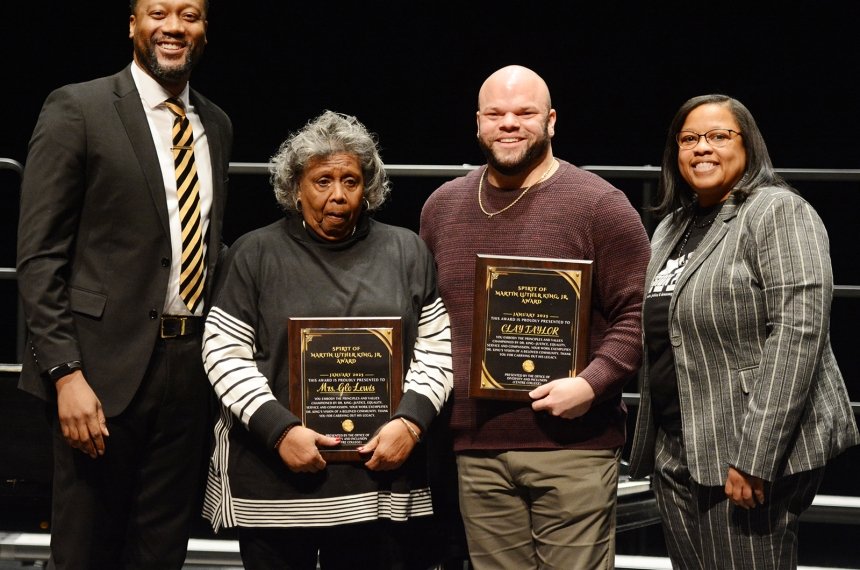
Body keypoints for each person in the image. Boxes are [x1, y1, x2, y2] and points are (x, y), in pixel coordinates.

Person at [15, 1, 232, 568]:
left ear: (205, 29)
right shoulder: (78, 108)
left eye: (190, 14)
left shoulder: (217, 123)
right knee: (87, 550)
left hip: (189, 371)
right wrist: (64, 373)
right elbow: (39, 256)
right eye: (158, 11)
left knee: (161, 552)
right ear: (132, 23)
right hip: (98, 372)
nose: (174, 27)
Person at [419, 64, 651, 568]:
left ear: (550, 121)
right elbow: (428, 321)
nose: (509, 123)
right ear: (477, 122)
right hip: (475, 447)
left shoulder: (599, 205)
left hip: (574, 446)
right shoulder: (441, 208)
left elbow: (636, 315)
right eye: (496, 114)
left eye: (524, 113)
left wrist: (591, 384)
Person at [201, 110, 454, 570]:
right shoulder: (254, 253)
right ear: (296, 187)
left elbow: (437, 349)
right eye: (322, 181)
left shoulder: (406, 251)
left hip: (378, 485)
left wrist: (411, 424)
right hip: (277, 478)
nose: (337, 194)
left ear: (369, 187)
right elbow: (223, 353)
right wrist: (279, 431)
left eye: (351, 180)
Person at [628, 93, 860, 569]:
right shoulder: (673, 226)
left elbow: (799, 333)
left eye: (718, 135)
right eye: (689, 138)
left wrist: (756, 456)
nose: (702, 148)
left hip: (746, 450)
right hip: (679, 447)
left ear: (748, 145)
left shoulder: (777, 211)